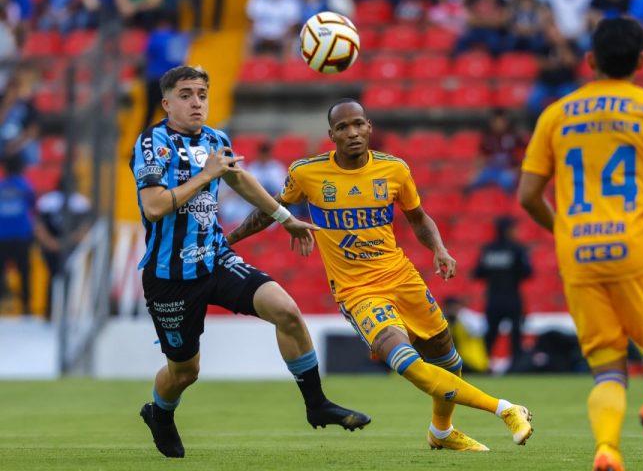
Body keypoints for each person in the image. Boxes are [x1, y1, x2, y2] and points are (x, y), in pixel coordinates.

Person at [226, 98, 534, 452]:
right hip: (358, 291)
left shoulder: (394, 170)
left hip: (402, 278)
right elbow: (270, 209)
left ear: (369, 127)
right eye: (343, 127)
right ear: (331, 135)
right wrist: (229, 239)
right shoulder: (306, 173)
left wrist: (439, 248)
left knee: (448, 360)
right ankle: (505, 409)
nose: (352, 132)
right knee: (407, 364)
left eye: (358, 124)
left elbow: (418, 219)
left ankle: (442, 431)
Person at [130, 66, 369, 459]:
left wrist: (285, 218)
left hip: (215, 257)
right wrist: (205, 175)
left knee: (286, 310)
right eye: (186, 95)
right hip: (170, 275)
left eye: (202, 94)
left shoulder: (215, 139)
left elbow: (239, 179)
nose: (196, 102)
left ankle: (316, 403)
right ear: (167, 103)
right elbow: (154, 207)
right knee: (185, 372)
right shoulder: (152, 143)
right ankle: (160, 413)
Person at [517, 17, 643, 471]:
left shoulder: (557, 114)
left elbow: (527, 196)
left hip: (578, 253)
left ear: (590, 60)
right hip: (636, 247)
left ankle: (607, 450)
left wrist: (563, 229)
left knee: (607, 367)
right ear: (642, 61)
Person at [472, 217, 532, 372]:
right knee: (516, 335)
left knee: (490, 334)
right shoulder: (518, 249)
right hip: (512, 298)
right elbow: (527, 272)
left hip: (493, 299)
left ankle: (483, 365)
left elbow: (477, 273)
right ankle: (516, 368)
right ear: (507, 230)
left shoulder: (489, 250)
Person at [34, 177, 91, 319]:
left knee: (64, 277)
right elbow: (39, 226)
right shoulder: (50, 202)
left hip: (65, 246)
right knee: (56, 277)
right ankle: (52, 311)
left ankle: (61, 312)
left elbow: (84, 228)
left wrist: (58, 243)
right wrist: (54, 243)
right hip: (57, 246)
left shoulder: (79, 202)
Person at [0, 153, 34, 315]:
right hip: (21, 236)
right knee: (24, 272)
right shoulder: (25, 186)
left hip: (2, 236)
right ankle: (26, 307)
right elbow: (32, 205)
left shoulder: (1, 186)